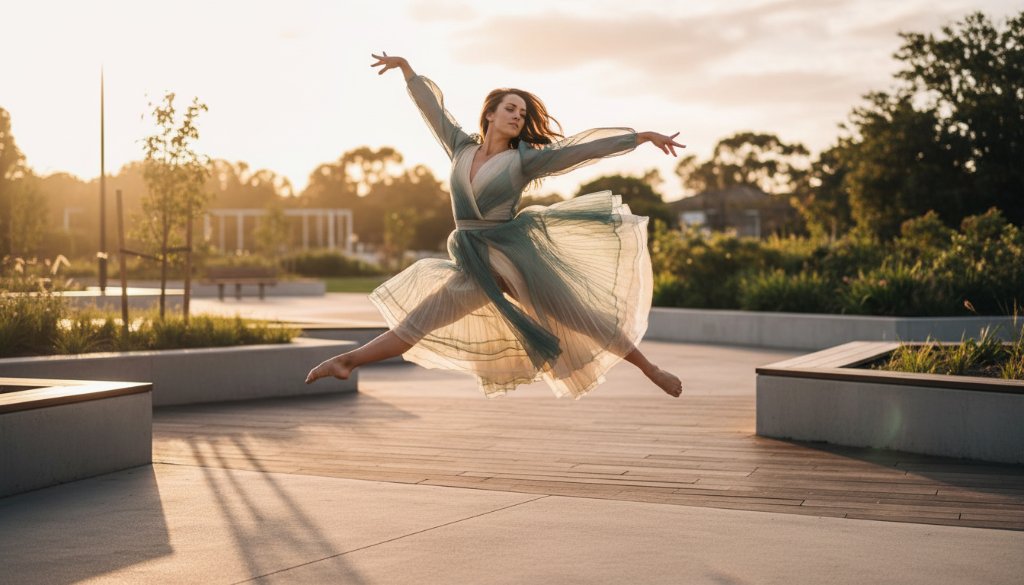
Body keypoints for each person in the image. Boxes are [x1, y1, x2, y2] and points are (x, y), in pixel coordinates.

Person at [306, 52, 684, 399]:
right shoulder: (460, 147)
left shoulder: (525, 161)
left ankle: (650, 369)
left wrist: (641, 137)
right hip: (473, 265)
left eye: (521, 113)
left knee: (579, 316)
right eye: (510, 108)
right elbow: (434, 110)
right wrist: (407, 70)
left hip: (513, 259)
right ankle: (347, 362)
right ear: (490, 114)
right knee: (415, 324)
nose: (518, 116)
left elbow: (579, 150)